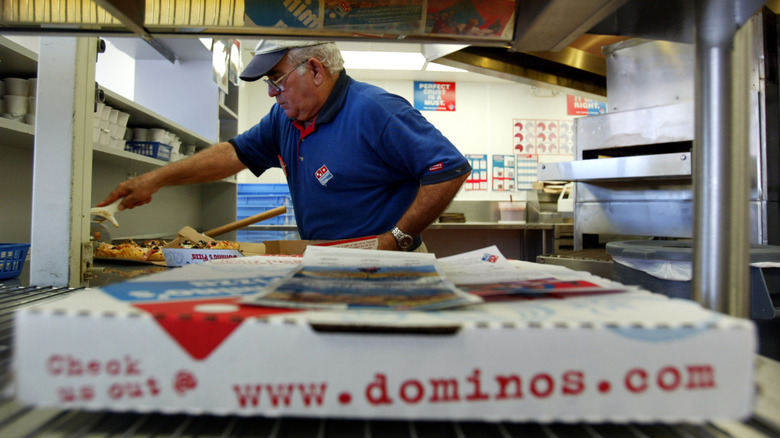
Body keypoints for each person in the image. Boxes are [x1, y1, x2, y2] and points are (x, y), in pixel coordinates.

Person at [98, 40, 471, 251]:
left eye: (277, 81)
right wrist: (156, 179)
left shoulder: (375, 111)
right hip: (323, 258)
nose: (273, 94)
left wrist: (398, 238)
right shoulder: (285, 119)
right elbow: (233, 154)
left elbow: (449, 168)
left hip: (389, 260)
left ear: (316, 70)